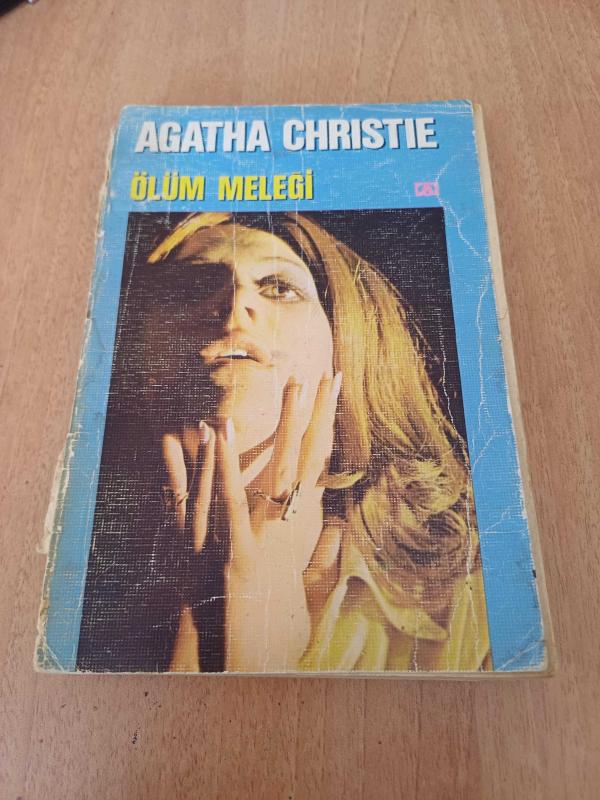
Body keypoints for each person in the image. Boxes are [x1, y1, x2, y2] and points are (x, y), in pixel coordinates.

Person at [81, 211, 490, 673]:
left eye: (279, 287)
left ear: (345, 345)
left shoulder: (472, 605)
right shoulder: (81, 588)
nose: (236, 302)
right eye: (191, 286)